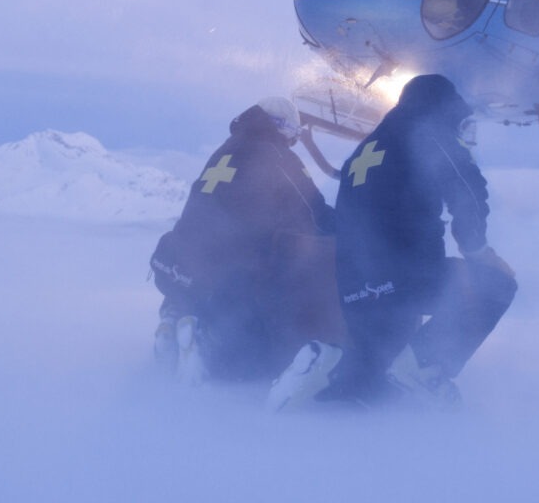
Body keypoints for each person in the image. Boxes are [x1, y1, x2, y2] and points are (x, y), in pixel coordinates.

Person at [268, 74, 518, 410]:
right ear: (443, 108)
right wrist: (478, 252)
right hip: (403, 277)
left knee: (379, 379)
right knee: (497, 286)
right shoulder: (429, 133)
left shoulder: (364, 150)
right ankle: (426, 367)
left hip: (355, 288)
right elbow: (468, 192)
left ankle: (326, 363)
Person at [149, 96, 337, 384]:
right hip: (231, 267)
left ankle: (176, 320)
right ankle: (206, 344)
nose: (293, 141)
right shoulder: (277, 155)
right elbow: (312, 208)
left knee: (210, 297)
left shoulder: (226, 150)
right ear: (283, 127)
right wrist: (348, 228)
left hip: (182, 261)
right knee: (257, 350)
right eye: (293, 133)